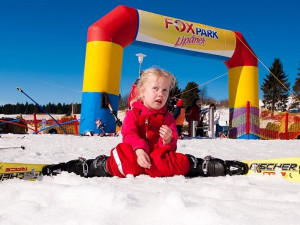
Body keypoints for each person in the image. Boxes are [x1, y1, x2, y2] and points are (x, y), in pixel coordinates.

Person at [43, 67, 248, 178]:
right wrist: (140, 150)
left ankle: (199, 165)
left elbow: (171, 145)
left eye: (165, 90)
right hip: (134, 152)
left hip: (154, 157)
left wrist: (169, 140)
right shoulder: (134, 113)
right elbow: (129, 134)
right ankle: (96, 165)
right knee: (127, 162)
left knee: (166, 163)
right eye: (155, 89)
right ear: (142, 92)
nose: (160, 94)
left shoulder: (168, 117)